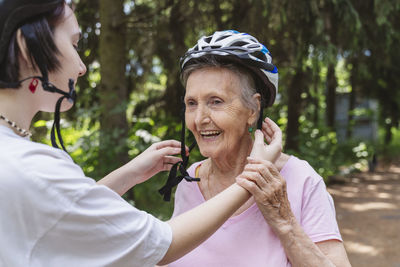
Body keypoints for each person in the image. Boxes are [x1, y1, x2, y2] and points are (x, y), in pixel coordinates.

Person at [0, 2, 282, 266]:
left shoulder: (16, 159)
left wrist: (131, 173)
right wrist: (253, 177)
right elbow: (160, 244)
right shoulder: (28, 167)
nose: (82, 66)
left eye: (216, 101)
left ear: (254, 108)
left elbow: (62, 213)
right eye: (74, 45)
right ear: (27, 47)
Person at [163, 30, 352, 267]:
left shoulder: (299, 179)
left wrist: (285, 222)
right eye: (192, 103)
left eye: (216, 101)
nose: (200, 118)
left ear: (253, 109)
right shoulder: (190, 181)